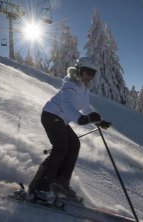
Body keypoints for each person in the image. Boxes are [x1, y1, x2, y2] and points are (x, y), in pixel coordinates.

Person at [28, 57, 111, 203]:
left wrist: (99, 120)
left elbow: (86, 108)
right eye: (88, 72)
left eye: (93, 74)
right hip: (51, 115)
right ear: (79, 71)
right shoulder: (71, 84)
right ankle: (38, 188)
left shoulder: (83, 88)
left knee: (74, 144)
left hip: (61, 119)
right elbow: (67, 105)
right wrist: (81, 119)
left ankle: (60, 182)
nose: (90, 76)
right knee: (61, 148)